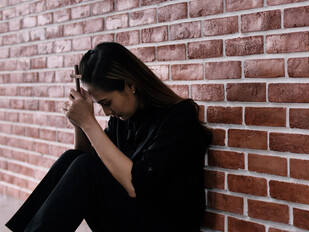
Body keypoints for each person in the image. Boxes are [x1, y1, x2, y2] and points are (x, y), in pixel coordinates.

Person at [6, 42, 212, 232]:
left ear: (130, 84)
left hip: (165, 225)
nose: (105, 112)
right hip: (134, 217)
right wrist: (81, 125)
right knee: (72, 158)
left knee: (85, 167)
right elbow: (86, 163)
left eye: (106, 102)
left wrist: (89, 122)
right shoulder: (124, 121)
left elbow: (135, 185)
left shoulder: (178, 118)